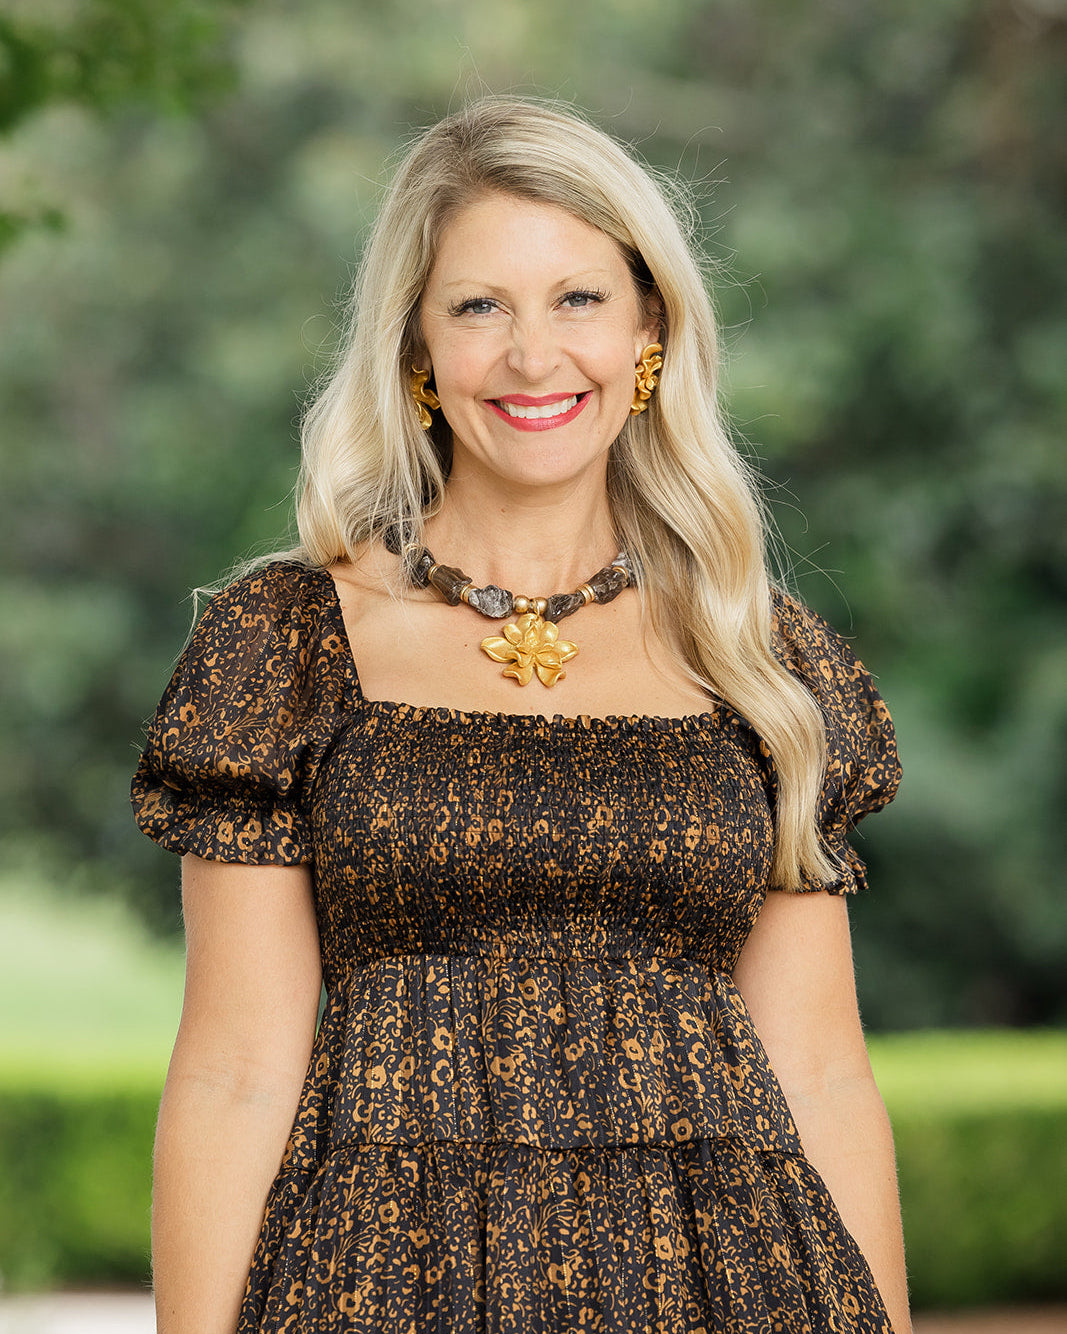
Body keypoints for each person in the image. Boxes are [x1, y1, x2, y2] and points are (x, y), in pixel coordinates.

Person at [132, 95, 912, 1334]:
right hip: (379, 1287)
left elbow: (818, 1072)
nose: (533, 356)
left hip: (733, 1290)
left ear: (648, 329)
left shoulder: (757, 659)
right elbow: (233, 1075)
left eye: (577, 298)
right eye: (479, 306)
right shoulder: (285, 644)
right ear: (415, 348)